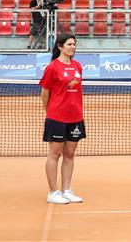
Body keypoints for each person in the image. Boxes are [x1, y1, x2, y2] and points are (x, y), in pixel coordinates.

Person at [39, 33, 85, 205]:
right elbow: (45, 93)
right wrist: (50, 112)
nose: (73, 47)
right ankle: (53, 192)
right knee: (55, 154)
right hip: (57, 117)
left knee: (70, 153)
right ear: (60, 46)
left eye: (74, 44)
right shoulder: (52, 67)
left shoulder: (78, 66)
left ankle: (66, 190)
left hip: (76, 117)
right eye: (69, 44)